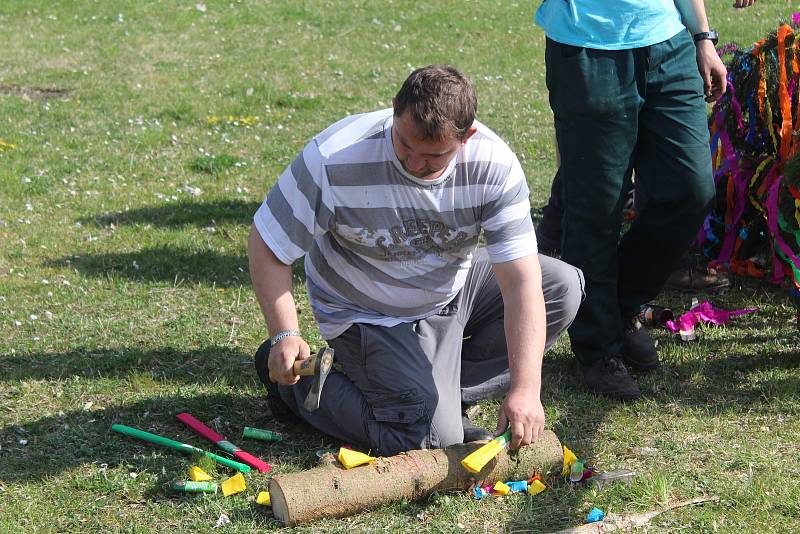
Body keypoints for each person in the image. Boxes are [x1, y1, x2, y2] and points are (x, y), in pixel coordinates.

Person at [248, 65, 584, 456]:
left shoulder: (494, 166)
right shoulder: (334, 157)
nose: (413, 163)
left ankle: (429, 394)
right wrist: (285, 333)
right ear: (394, 110)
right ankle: (300, 388)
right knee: (429, 441)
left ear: (466, 138)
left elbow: (521, 282)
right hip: (367, 310)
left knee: (561, 285)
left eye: (433, 156)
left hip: (450, 287)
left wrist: (527, 389)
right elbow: (267, 244)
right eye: (404, 144)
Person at [535, 0, 728, 400]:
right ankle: (597, 350)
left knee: (691, 191)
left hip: (667, 42)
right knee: (597, 209)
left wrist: (702, 36)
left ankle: (619, 306)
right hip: (587, 48)